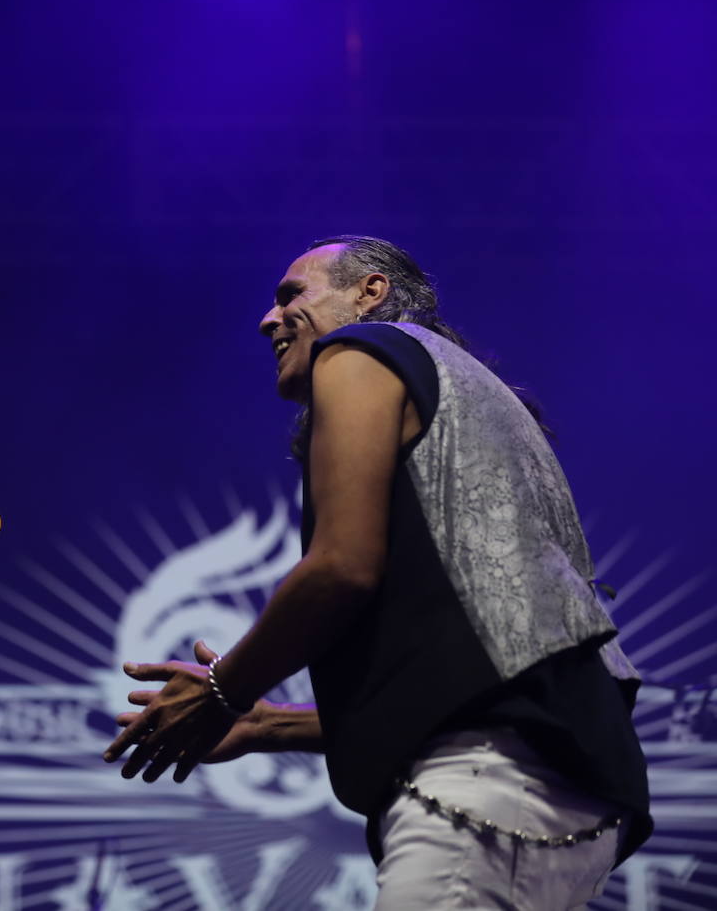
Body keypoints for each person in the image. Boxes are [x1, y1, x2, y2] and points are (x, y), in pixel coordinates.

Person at [104, 236, 652, 909]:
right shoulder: (477, 403)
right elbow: (476, 673)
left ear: (369, 293)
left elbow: (341, 568)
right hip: (559, 788)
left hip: (486, 783)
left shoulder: (362, 350)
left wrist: (223, 689)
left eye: (291, 296)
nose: (267, 320)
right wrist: (269, 726)